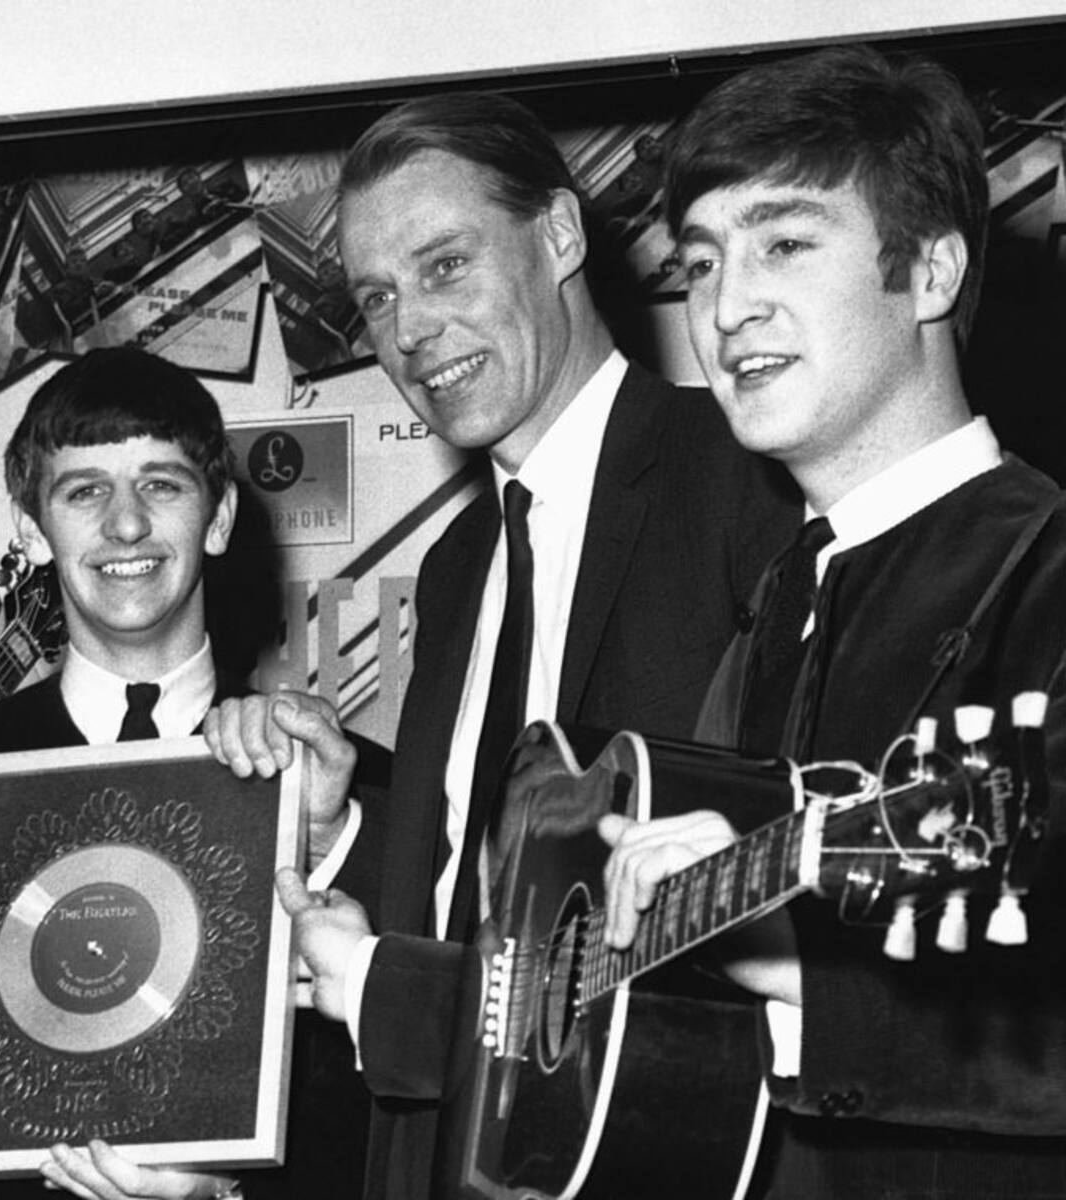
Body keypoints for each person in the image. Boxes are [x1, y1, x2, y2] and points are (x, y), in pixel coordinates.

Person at [190, 91, 800, 1200]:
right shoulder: (462, 559)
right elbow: (471, 900)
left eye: (445, 266)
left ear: (560, 235)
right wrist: (336, 833)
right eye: (377, 297)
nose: (410, 331)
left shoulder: (742, 481)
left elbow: (782, 896)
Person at [600, 44, 1066, 1199]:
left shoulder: (1049, 573)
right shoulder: (776, 604)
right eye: (700, 263)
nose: (725, 307)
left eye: (786, 244)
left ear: (933, 271)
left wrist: (796, 965)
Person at [0, 347, 381, 1200]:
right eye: (84, 492)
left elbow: (403, 1127)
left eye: (162, 485)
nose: (127, 525)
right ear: (32, 531)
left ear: (219, 518)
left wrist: (222, 1192)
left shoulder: (345, 793)